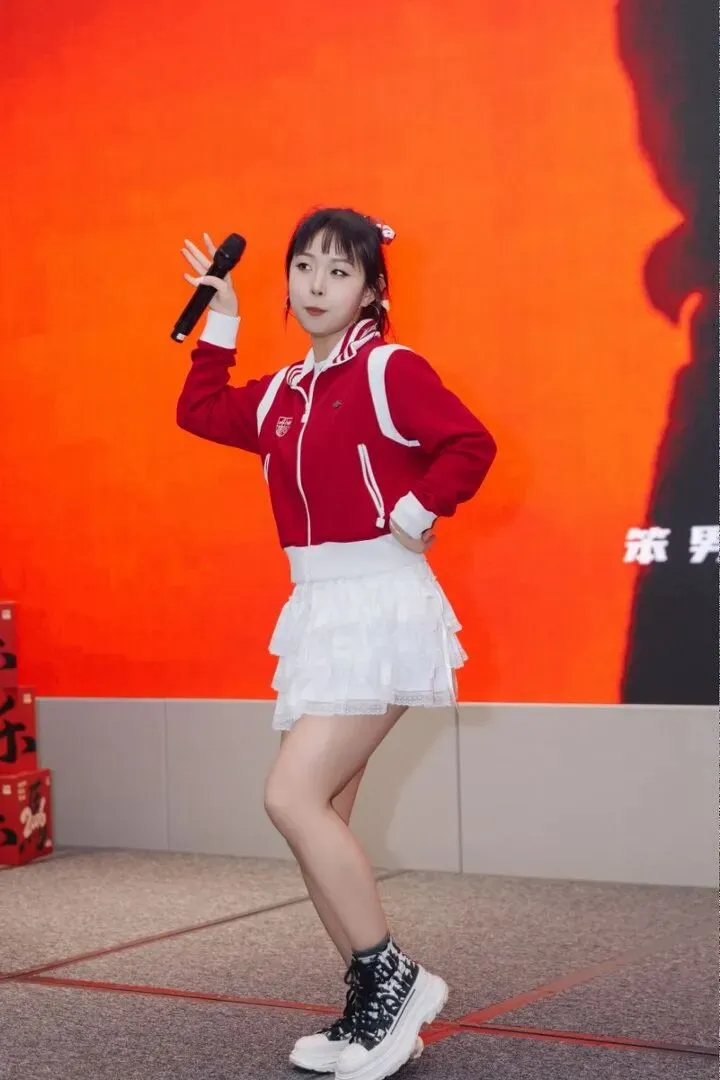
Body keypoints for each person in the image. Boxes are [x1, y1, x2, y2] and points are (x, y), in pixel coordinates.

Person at [176, 208, 497, 1080]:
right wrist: (222, 320)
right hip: (317, 609)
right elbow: (198, 409)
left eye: (338, 271)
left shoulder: (390, 369)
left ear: (370, 290)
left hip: (382, 606)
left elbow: (470, 443)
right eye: (304, 268)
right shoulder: (283, 392)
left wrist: (419, 509)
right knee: (323, 819)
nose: (316, 285)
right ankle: (369, 1012)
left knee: (290, 796)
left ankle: (396, 980)